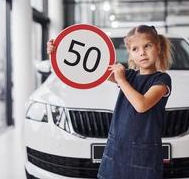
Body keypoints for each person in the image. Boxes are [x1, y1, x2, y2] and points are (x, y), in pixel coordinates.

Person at [47, 25, 172, 179]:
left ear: (158, 48)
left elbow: (142, 105)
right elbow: (93, 68)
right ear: (130, 54)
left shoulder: (162, 79)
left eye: (148, 46)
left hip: (144, 154)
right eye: (135, 49)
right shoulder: (129, 76)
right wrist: (58, 51)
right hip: (117, 149)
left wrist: (121, 79)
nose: (142, 52)